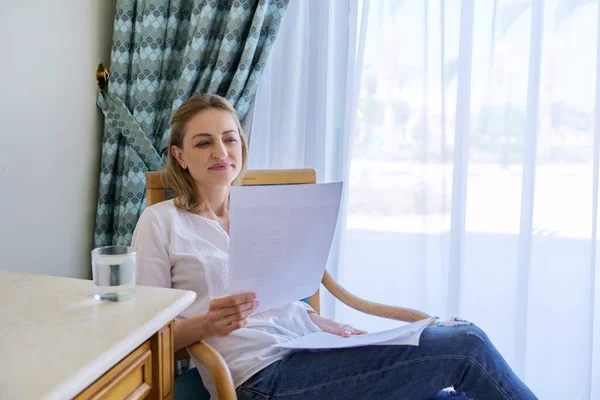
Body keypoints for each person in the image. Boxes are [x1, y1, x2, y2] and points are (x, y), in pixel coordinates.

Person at [131, 93, 538, 400]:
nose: (221, 152)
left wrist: (328, 325)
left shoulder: (265, 211)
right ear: (179, 155)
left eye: (230, 139)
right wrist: (207, 324)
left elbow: (281, 296)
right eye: (204, 143)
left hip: (310, 349)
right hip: (260, 377)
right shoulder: (162, 221)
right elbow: (144, 336)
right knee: (465, 344)